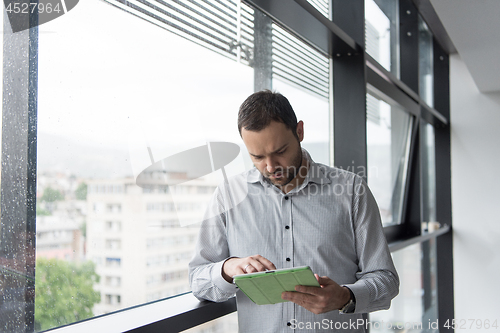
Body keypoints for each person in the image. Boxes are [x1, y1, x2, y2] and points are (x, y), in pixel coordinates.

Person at [189, 90, 399, 332]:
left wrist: (345, 296)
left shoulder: (352, 191)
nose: (270, 166)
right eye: (257, 157)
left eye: (280, 152)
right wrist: (228, 269)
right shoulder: (228, 195)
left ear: (299, 131)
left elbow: (386, 280)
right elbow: (198, 281)